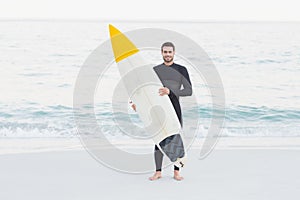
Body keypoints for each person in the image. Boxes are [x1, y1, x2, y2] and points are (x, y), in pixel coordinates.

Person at [131, 42, 192, 181]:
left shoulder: (181, 70)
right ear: (161, 52)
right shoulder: (155, 70)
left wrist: (170, 92)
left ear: (174, 53)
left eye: (170, 52)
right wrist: (137, 104)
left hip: (174, 109)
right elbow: (145, 90)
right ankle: (158, 172)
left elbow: (188, 91)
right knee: (158, 140)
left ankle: (176, 172)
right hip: (158, 110)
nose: (167, 54)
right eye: (165, 52)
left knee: (175, 139)